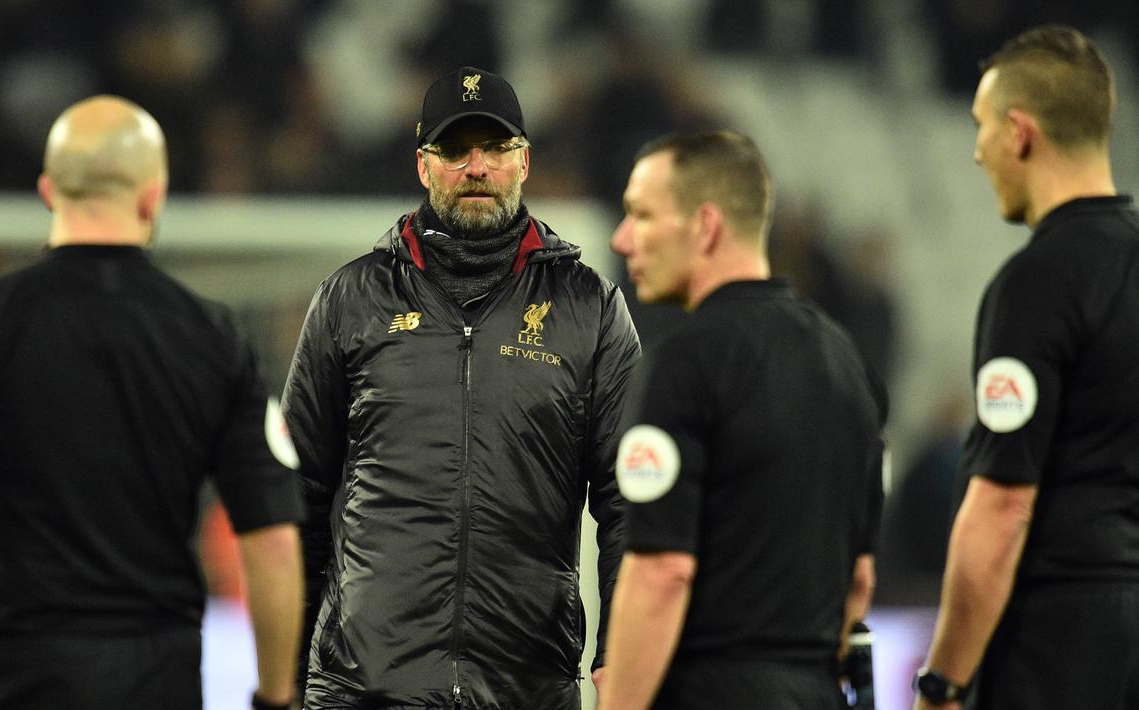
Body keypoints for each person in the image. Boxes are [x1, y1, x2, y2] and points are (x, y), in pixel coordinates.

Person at [0, 95, 305, 710]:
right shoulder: (212, 336)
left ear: (48, 191)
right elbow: (272, 539)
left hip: (19, 679)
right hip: (160, 682)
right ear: (153, 197)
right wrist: (277, 699)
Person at [282, 66, 640, 708]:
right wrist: (287, 672)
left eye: (495, 147)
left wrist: (619, 655)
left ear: (524, 160)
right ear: (423, 166)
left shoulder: (591, 309)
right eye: (454, 150)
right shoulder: (349, 300)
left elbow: (629, 501)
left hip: (525, 692)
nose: (476, 167)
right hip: (364, 691)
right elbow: (297, 494)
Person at [597, 130, 886, 710]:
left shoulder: (683, 364)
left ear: (705, 226)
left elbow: (661, 574)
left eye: (642, 215)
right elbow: (858, 579)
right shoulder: (844, 360)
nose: (621, 238)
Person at [914, 25, 1139, 710]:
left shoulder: (1036, 285)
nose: (976, 150)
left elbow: (1003, 504)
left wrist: (941, 682)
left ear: (1019, 133)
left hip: (1059, 641)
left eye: (980, 126)